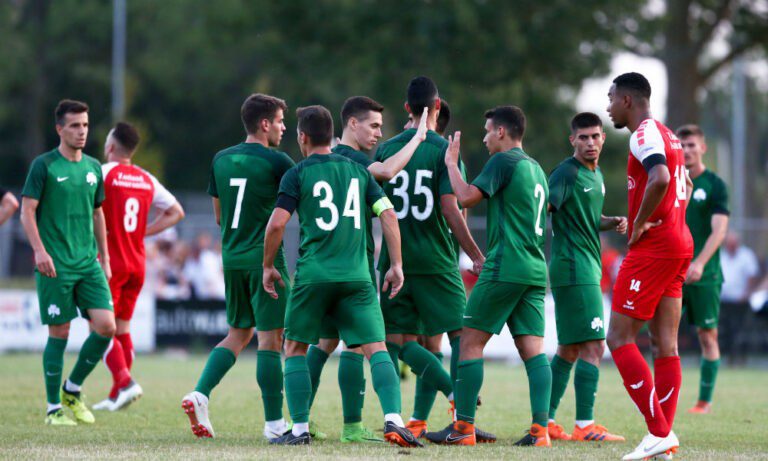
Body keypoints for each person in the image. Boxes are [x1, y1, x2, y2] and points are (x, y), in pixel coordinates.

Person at [262, 105, 421, 447]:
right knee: (376, 348)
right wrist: (396, 265)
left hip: (314, 276)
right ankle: (394, 419)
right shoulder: (358, 171)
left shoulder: (297, 173)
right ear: (331, 134)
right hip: (356, 277)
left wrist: (268, 266)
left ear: (302, 137)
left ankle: (300, 428)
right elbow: (388, 215)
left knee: (295, 347)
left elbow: (276, 224)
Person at [426, 105, 553, 447]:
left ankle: (463, 428)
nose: (484, 139)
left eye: (487, 132)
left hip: (506, 264)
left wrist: (451, 165)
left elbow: (466, 197)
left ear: (501, 132)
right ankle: (540, 431)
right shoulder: (536, 169)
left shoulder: (503, 161)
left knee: (469, 341)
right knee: (532, 350)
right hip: (534, 268)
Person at [305, 96, 429, 443]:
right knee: (362, 345)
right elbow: (387, 173)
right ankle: (357, 425)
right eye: (373, 126)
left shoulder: (324, 158)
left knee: (324, 343)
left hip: (320, 268)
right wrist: (418, 138)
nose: (379, 133)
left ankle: (300, 421)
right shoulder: (354, 160)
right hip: (352, 267)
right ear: (352, 124)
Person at [376, 77, 491, 441]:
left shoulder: (386, 150)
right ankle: (461, 413)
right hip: (438, 260)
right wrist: (475, 254)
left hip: (395, 261)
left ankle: (409, 419)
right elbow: (452, 208)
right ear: (437, 106)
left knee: (396, 342)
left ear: (406, 108)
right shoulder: (445, 151)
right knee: (460, 337)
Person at [182, 94, 295, 440]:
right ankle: (275, 425)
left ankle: (200, 393)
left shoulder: (220, 159)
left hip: (230, 259)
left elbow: (219, 217)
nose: (284, 127)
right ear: (264, 124)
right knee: (271, 340)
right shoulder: (278, 161)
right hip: (265, 261)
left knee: (239, 333)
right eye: (280, 121)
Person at [605, 72, 693, 460]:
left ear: (627, 100)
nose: (608, 107)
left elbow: (660, 177)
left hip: (655, 247)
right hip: (679, 241)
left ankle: (658, 432)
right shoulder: (669, 135)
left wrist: (640, 222)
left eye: (611, 98)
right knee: (664, 343)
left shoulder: (643, 134)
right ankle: (663, 439)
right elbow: (683, 184)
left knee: (618, 338)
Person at [20, 99, 116, 426]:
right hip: (55, 264)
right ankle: (53, 409)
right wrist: (39, 251)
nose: (82, 131)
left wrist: (105, 258)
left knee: (106, 326)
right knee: (59, 331)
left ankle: (72, 389)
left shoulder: (93, 167)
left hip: (88, 263)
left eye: (85, 125)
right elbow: (27, 211)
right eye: (75, 125)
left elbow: (98, 213)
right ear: (59, 129)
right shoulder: (44, 165)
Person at [545, 112, 627, 443]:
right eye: (583, 137)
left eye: (595, 136)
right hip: (574, 267)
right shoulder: (566, 173)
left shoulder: (596, 174)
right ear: (573, 140)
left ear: (603, 138)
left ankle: (546, 421)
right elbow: (542, 208)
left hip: (583, 267)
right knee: (594, 345)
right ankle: (585, 425)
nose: (590, 142)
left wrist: (610, 221)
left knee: (568, 348)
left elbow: (587, 218)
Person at [93, 121, 184, 411]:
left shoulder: (103, 173)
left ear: (110, 146)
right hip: (137, 262)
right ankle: (116, 395)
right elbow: (176, 212)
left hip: (110, 262)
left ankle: (125, 382)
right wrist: (143, 232)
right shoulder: (146, 179)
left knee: (100, 327)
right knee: (122, 328)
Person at [676, 124, 729, 414]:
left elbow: (719, 231)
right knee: (663, 336)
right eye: (682, 145)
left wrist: (699, 263)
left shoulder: (715, 185)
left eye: (691, 145)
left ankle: (704, 402)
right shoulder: (670, 181)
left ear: (702, 148)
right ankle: (663, 399)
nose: (686, 151)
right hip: (673, 272)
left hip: (705, 274)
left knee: (707, 335)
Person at [719, 231, 761, 363]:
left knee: (737, 329)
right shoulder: (721, 255)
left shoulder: (746, 255)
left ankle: (737, 356)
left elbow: (752, 277)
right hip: (722, 300)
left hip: (740, 301)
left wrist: (746, 294)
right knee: (724, 328)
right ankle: (725, 355)